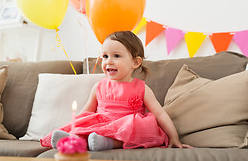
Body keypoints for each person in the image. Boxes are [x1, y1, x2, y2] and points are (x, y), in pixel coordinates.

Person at [40, 31, 191, 150]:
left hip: (128, 128)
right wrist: (73, 127)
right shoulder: (99, 86)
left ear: (135, 62)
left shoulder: (141, 88)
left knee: (134, 126)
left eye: (116, 56)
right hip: (102, 126)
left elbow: (160, 114)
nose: (108, 61)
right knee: (87, 127)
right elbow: (85, 113)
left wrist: (174, 137)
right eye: (105, 56)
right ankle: (72, 138)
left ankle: (106, 143)